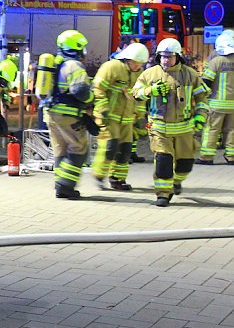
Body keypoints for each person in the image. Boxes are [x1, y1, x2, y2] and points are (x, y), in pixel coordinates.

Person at [132, 38, 208, 207]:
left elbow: (202, 97)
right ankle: (163, 194)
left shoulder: (190, 75)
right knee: (163, 161)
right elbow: (136, 93)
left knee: (185, 164)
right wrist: (151, 90)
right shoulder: (149, 74)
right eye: (163, 56)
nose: (166, 60)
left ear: (178, 57)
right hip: (159, 128)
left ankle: (176, 181)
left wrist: (201, 117)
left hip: (184, 129)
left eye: (170, 57)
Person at [90, 42, 149, 190]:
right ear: (127, 59)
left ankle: (117, 179)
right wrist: (102, 109)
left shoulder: (139, 74)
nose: (138, 66)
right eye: (135, 63)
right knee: (110, 146)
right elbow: (98, 89)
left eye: (140, 63)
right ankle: (99, 175)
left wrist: (140, 115)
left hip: (127, 119)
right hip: (109, 117)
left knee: (125, 149)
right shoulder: (112, 67)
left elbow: (139, 96)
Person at [45, 30, 94, 199]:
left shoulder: (55, 64)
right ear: (76, 47)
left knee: (61, 150)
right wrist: (91, 98)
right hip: (69, 115)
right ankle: (66, 186)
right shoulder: (74, 65)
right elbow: (81, 91)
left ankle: (60, 185)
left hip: (51, 114)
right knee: (79, 148)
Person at [198, 31, 234, 164]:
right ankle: (231, 157)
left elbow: (206, 82)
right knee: (231, 131)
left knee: (212, 130)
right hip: (233, 105)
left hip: (217, 104)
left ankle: (206, 157)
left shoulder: (216, 61)